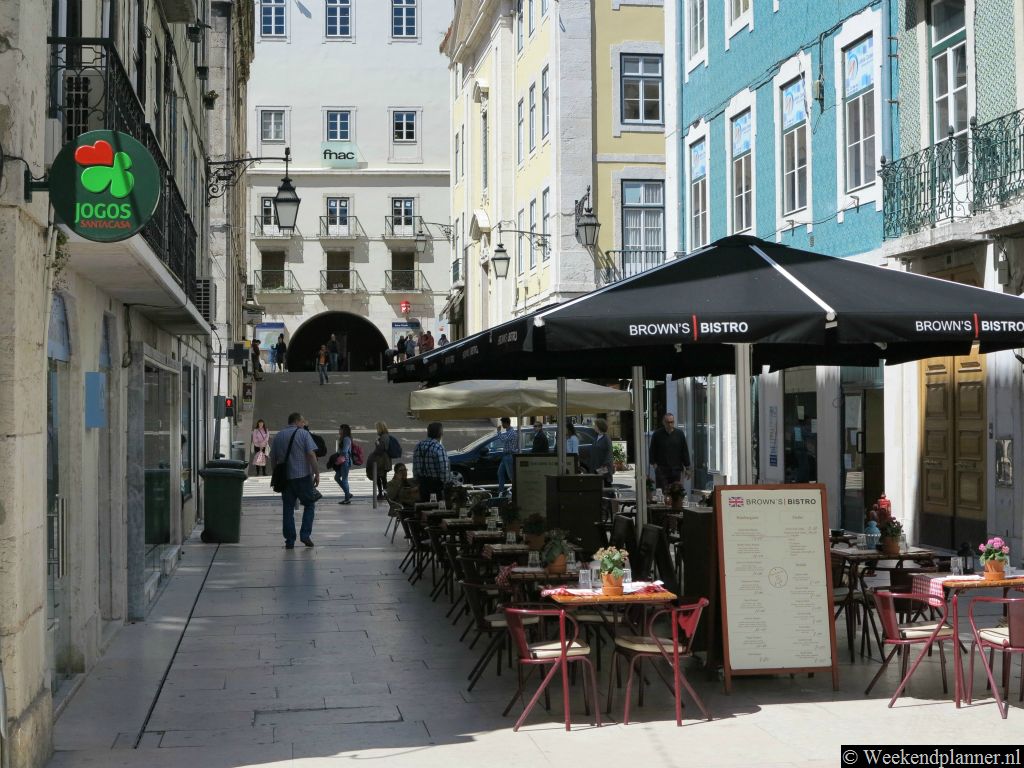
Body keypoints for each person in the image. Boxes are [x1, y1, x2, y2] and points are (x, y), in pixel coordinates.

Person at [269, 412, 320, 548]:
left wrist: (277, 473)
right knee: (309, 504)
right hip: (303, 477)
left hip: (286, 479)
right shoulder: (303, 434)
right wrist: (316, 473)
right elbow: (310, 454)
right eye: (302, 422)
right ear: (297, 421)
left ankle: (290, 540)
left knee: (288, 509)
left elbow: (273, 458)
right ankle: (305, 535)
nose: (303, 424)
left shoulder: (279, 436)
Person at [649, 412, 692, 492]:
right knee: (662, 492)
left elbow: (684, 451)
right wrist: (654, 464)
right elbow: (652, 450)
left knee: (675, 492)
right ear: (663, 422)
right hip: (662, 469)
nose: (670, 424)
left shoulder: (679, 434)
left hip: (676, 469)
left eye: (672, 422)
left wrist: (688, 467)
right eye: (668, 422)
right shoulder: (657, 434)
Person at [412, 422, 450, 502]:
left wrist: (417, 481)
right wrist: (445, 483)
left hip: (422, 484)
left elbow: (415, 467)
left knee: (424, 505)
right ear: (440, 433)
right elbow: (443, 469)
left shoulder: (418, 445)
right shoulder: (439, 447)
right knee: (436, 507)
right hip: (436, 485)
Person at [371, 421, 393, 500]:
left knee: (380, 477)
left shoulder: (384, 437)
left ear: (380, 428)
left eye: (377, 428)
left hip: (382, 461)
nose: (376, 430)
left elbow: (381, 449)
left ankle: (382, 494)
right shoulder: (385, 436)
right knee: (382, 477)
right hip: (383, 460)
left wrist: (377, 443)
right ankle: (383, 494)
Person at [497, 416, 518, 496]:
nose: (502, 425)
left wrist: (498, 432)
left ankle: (515, 491)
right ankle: (501, 491)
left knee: (511, 476)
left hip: (509, 456)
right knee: (500, 473)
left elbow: (503, 440)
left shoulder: (511, 432)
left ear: (506, 423)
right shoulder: (508, 431)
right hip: (505, 456)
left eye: (502, 423)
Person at [334, 423, 354, 504]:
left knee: (344, 479)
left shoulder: (346, 439)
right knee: (337, 477)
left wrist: (338, 454)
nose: (339, 431)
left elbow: (345, 451)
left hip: (344, 461)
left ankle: (347, 499)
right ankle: (347, 493)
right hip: (343, 461)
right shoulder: (344, 438)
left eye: (340, 429)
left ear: (343, 430)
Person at [592, 418, 614, 485]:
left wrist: (603, 466)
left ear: (599, 427)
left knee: (606, 486)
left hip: (604, 468)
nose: (594, 427)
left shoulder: (606, 438)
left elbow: (609, 454)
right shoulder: (596, 437)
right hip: (596, 466)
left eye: (595, 425)